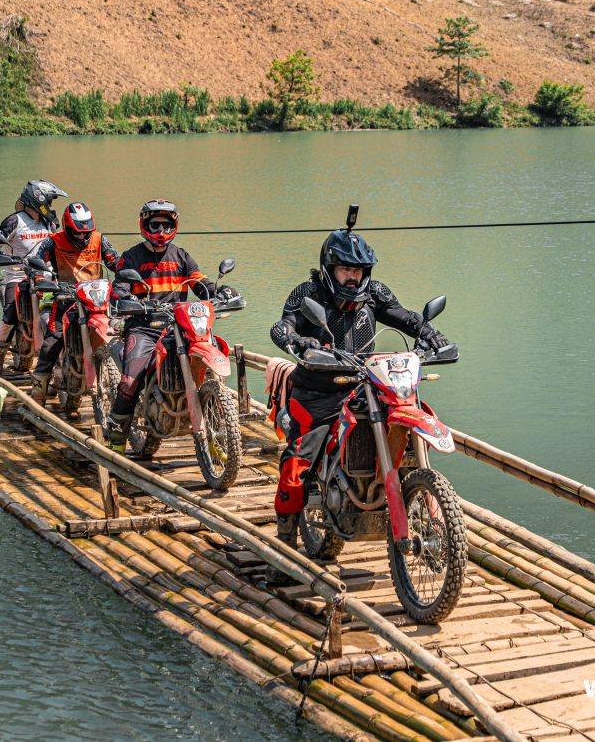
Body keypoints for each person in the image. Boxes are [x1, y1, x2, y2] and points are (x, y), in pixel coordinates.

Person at [266, 228, 450, 584]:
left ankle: (427, 512)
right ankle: (284, 548)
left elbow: (404, 316)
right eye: (346, 269)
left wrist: (429, 334)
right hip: (319, 390)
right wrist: (299, 342)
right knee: (298, 462)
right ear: (329, 268)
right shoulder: (308, 294)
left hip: (368, 383)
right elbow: (282, 327)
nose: (354, 276)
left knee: (411, 421)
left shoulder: (375, 293)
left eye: (359, 270)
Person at [104, 199, 238, 451]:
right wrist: (129, 300)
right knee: (130, 381)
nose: (161, 231)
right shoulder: (131, 257)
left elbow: (200, 283)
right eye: (155, 225)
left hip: (180, 326)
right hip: (144, 327)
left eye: (166, 225)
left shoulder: (181, 256)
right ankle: (116, 439)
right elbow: (118, 288)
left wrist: (221, 291)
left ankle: (215, 427)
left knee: (210, 366)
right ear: (145, 225)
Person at [29, 201, 123, 403]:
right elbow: (37, 262)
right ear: (67, 227)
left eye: (85, 233)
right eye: (77, 233)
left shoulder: (99, 240)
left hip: (96, 299)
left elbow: (115, 261)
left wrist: (127, 273)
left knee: (121, 331)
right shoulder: (53, 241)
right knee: (52, 340)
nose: (82, 237)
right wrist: (39, 278)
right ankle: (38, 389)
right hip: (66, 298)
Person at [0, 180, 68, 374]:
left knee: (64, 309)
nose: (50, 206)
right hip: (17, 275)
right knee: (9, 316)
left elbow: (58, 245)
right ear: (38, 199)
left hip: (45, 276)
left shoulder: (50, 222)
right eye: (49, 202)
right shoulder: (15, 221)